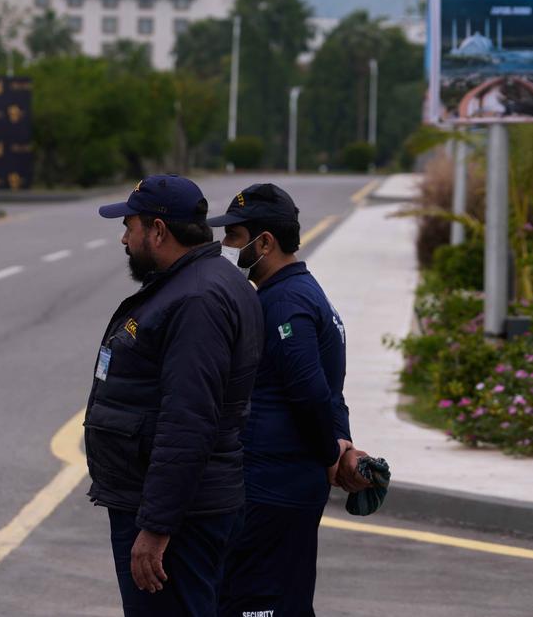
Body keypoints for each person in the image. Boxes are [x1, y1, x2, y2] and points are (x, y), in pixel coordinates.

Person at [87, 174, 264, 617]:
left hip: (180, 518)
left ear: (158, 230)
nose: (124, 239)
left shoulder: (196, 299)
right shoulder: (199, 282)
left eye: (129, 227)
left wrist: (156, 526)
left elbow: (189, 419)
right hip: (183, 505)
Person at [209, 183, 372, 617]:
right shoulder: (298, 292)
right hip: (283, 484)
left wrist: (331, 455)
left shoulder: (285, 302)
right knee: (286, 601)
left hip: (272, 489)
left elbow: (311, 391)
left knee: (254, 602)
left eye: (234, 237)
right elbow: (329, 393)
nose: (226, 246)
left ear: (265, 242)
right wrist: (339, 442)